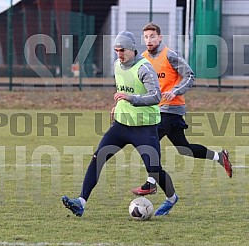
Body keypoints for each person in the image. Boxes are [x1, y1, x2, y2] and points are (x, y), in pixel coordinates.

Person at [62, 31, 178, 217]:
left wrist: (130, 98)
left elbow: (156, 96)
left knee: (154, 171)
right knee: (98, 158)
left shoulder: (144, 68)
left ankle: (172, 198)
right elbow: (122, 89)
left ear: (132, 49)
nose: (119, 54)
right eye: (116, 50)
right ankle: (80, 203)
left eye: (122, 50)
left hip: (144, 128)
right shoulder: (117, 65)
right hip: (121, 125)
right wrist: (117, 104)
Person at [131, 23, 232, 196]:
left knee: (150, 139)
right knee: (183, 148)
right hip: (156, 109)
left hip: (171, 108)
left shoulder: (170, 55)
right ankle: (219, 157)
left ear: (160, 37)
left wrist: (175, 91)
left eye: (152, 36)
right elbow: (138, 85)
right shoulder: (142, 59)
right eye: (146, 37)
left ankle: (151, 182)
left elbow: (190, 75)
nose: (149, 40)